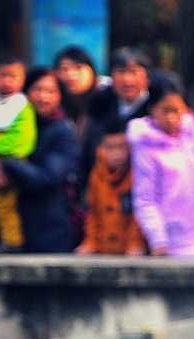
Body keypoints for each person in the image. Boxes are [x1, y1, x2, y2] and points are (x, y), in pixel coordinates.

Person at [128, 75, 194, 257]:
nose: (171, 118)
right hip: (174, 240)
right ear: (152, 109)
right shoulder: (146, 146)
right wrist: (158, 239)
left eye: (177, 111)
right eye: (165, 111)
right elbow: (145, 198)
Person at [3, 66, 77, 253]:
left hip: (50, 231)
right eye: (37, 89)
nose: (43, 97)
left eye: (51, 91)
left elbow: (45, 179)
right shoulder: (11, 125)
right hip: (13, 228)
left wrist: (6, 161)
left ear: (60, 96)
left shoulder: (62, 132)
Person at [79, 47, 153, 195]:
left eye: (134, 72)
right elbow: (86, 153)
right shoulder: (100, 106)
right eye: (121, 72)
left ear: (146, 76)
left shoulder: (155, 110)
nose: (127, 79)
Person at [0, 53, 36, 253]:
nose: (7, 81)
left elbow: (24, 136)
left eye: (13, 76)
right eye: (3, 75)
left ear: (22, 80)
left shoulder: (22, 105)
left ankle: (12, 241)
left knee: (5, 203)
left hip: (6, 163)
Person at [75, 120, 146, 255]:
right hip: (103, 249)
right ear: (101, 149)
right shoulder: (96, 175)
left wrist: (136, 244)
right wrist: (90, 243)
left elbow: (139, 214)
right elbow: (92, 213)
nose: (116, 153)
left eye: (121, 147)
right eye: (110, 148)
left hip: (132, 251)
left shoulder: (138, 172)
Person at [53, 45, 100, 149]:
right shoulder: (56, 105)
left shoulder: (106, 98)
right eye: (64, 69)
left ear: (92, 70)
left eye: (78, 67)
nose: (71, 75)